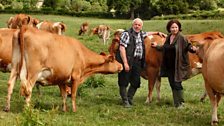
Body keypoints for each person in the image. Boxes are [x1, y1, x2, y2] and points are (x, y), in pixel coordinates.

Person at [116, 18, 166, 108]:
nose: (137, 26)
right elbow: (122, 48)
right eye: (135, 24)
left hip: (138, 61)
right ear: (133, 25)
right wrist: (125, 62)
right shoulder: (126, 34)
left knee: (136, 82)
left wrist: (157, 32)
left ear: (141, 26)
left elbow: (148, 33)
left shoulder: (141, 34)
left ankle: (129, 98)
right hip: (128, 59)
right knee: (124, 81)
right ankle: (125, 101)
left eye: (139, 25)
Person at [151, 19, 198, 108]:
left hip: (178, 65)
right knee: (172, 84)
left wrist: (193, 49)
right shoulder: (169, 37)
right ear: (169, 28)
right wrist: (156, 46)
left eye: (176, 27)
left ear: (179, 28)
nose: (174, 29)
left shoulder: (182, 38)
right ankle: (176, 103)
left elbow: (189, 47)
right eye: (172, 27)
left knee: (177, 84)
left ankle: (181, 103)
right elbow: (165, 47)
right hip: (169, 65)